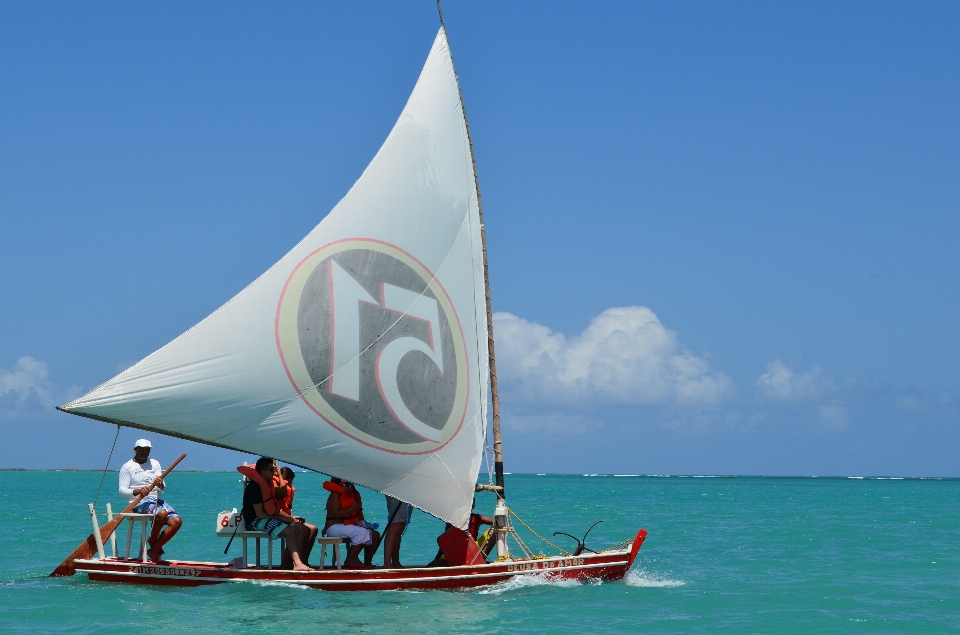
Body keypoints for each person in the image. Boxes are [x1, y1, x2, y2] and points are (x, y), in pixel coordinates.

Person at [241, 457, 312, 571]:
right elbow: (260, 515)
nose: (274, 472)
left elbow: (274, 508)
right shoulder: (254, 488)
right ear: (263, 471)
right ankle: (297, 564)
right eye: (271, 469)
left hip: (266, 518)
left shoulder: (268, 486)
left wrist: (289, 518)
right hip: (254, 522)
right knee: (290, 531)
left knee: (302, 528)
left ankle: (295, 564)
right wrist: (283, 520)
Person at [118, 439, 182, 563]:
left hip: (156, 500)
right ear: (135, 450)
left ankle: (154, 548)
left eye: (147, 449)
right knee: (162, 513)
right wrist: (137, 491)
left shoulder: (155, 464)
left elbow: (162, 485)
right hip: (138, 502)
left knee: (177, 521)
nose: (144, 452)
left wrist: (160, 483)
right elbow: (122, 491)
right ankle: (153, 540)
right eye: (142, 449)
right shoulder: (127, 467)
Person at [323, 477, 381, 568]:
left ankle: (367, 563)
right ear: (339, 485)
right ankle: (350, 559)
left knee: (374, 534)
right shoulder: (335, 495)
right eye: (346, 485)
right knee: (363, 532)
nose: (348, 488)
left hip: (343, 526)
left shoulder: (349, 495)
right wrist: (352, 508)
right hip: (333, 527)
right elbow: (336, 514)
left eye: (350, 485)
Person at [428, 499, 493, 566]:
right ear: (473, 506)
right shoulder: (476, 518)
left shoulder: (454, 521)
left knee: (435, 564)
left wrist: (436, 559)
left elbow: (445, 544)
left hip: (467, 554)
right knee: (436, 563)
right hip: (470, 553)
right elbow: (446, 543)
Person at [279, 467, 318, 557]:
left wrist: (291, 517)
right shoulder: (278, 490)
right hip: (280, 519)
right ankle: (287, 563)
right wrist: (290, 518)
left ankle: (303, 560)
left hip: (286, 518)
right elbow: (276, 510)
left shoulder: (284, 489)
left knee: (313, 529)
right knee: (303, 529)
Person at [383, 495, 413, 568]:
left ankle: (395, 561)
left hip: (407, 490)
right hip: (398, 492)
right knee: (395, 524)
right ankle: (387, 563)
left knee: (401, 525)